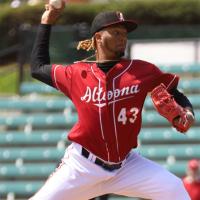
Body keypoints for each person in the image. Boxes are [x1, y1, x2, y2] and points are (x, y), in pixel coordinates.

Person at [29, 1, 195, 200]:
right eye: (116, 32)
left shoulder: (142, 71)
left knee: (174, 189)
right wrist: (46, 23)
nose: (123, 37)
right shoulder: (76, 73)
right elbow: (37, 68)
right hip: (82, 166)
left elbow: (175, 92)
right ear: (98, 37)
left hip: (126, 166)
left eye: (124, 33)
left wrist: (188, 111)